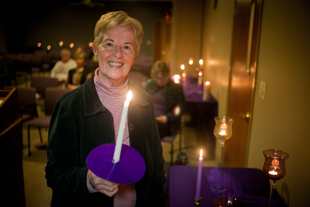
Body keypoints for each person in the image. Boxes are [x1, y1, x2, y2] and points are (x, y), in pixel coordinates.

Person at [45, 11, 166, 206]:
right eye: (109, 44)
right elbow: (55, 174)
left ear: (135, 55)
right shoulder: (69, 106)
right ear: (95, 49)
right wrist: (90, 180)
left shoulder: (144, 101)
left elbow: (156, 165)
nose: (118, 54)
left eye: (127, 47)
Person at [144, 60, 186, 139]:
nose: (160, 81)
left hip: (166, 123)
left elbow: (181, 107)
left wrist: (167, 117)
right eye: (157, 78)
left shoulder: (175, 88)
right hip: (149, 119)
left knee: (152, 130)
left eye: (162, 78)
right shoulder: (150, 85)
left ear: (168, 75)